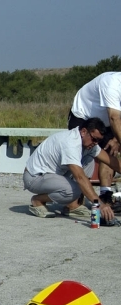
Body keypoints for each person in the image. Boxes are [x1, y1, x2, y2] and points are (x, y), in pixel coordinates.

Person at [23, 118, 121, 221]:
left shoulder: (89, 144)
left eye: (98, 141)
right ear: (83, 131)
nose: (96, 143)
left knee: (89, 159)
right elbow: (80, 178)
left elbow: (112, 162)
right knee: (72, 190)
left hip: (53, 174)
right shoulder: (71, 144)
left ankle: (72, 205)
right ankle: (38, 200)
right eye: (94, 139)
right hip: (34, 177)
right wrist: (99, 204)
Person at [68, 72, 121, 206]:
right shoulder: (111, 84)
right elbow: (114, 117)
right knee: (80, 155)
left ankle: (105, 195)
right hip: (83, 116)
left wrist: (116, 139)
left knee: (110, 153)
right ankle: (75, 197)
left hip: (107, 120)